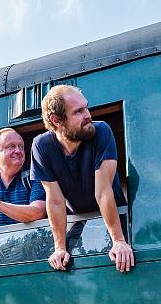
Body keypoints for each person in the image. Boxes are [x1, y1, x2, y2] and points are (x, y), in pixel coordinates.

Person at [33, 85, 132, 272]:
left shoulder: (102, 131)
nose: (88, 115)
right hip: (80, 228)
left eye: (86, 107)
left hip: (116, 222)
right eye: (78, 111)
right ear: (56, 120)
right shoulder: (41, 146)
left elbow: (103, 192)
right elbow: (54, 200)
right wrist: (59, 248)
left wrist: (119, 241)